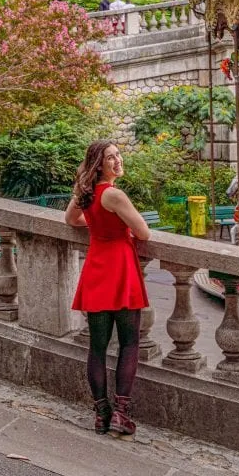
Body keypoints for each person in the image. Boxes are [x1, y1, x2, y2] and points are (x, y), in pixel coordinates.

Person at [65, 141, 151, 436]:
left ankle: (102, 414)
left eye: (118, 155)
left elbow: (71, 220)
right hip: (121, 269)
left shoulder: (86, 192)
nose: (118, 160)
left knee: (97, 348)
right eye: (111, 157)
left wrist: (98, 228)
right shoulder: (114, 195)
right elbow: (144, 232)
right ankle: (122, 414)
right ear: (99, 164)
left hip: (97, 268)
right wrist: (117, 230)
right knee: (129, 343)